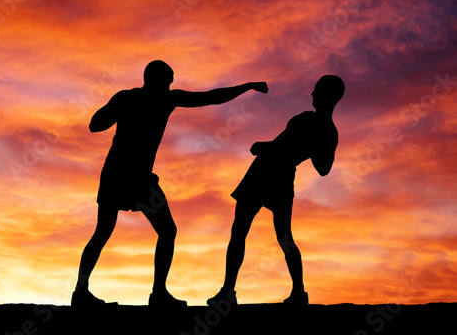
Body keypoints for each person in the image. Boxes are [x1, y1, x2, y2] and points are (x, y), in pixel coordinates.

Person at [71, 60, 268, 307]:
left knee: (118, 232)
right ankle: (149, 293)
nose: (170, 84)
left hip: (127, 176)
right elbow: (95, 124)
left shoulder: (145, 99)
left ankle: (135, 293)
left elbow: (212, 98)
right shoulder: (153, 99)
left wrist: (247, 86)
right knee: (146, 231)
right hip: (125, 176)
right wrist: (116, 108)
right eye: (168, 80)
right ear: (158, 80)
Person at [207, 75, 345, 308]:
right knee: (253, 232)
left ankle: (293, 292)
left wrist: (269, 146)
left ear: (330, 96)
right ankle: (233, 290)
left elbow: (321, 167)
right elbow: (292, 147)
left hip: (274, 174)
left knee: (268, 234)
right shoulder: (315, 124)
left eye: (317, 90)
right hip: (266, 172)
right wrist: (275, 147)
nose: (312, 94)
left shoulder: (325, 130)